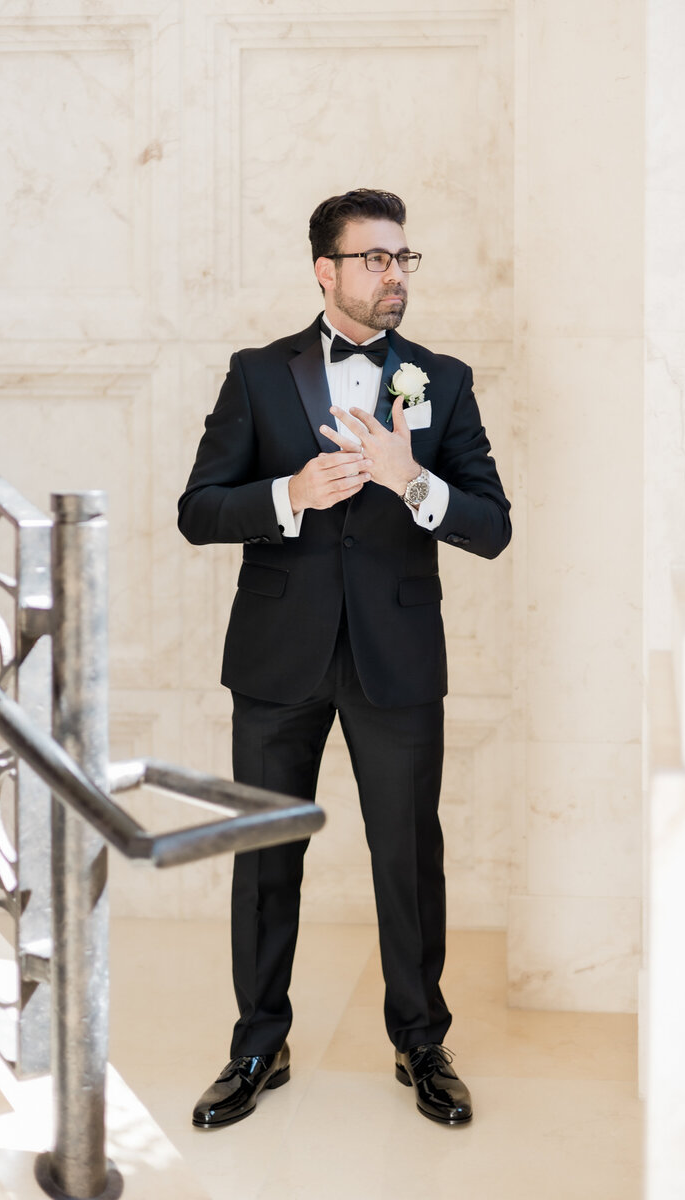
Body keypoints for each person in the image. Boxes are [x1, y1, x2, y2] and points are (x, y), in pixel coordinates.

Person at [178, 188, 511, 1130]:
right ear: (325, 270)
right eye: (374, 259)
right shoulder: (256, 373)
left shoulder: (442, 380)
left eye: (403, 258)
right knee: (263, 853)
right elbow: (198, 508)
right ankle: (257, 1043)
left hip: (397, 660)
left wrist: (416, 483)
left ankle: (421, 1041)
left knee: (408, 857)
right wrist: (289, 491)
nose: (394, 275)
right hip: (278, 656)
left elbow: (493, 527)